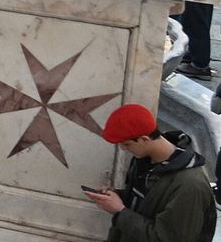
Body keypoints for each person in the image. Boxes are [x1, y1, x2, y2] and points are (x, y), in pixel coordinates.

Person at [83, 103, 216, 242]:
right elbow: (146, 203)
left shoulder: (190, 185)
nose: (123, 149)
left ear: (144, 139)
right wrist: (116, 197)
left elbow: (167, 238)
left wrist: (120, 211)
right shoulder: (143, 159)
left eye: (127, 144)